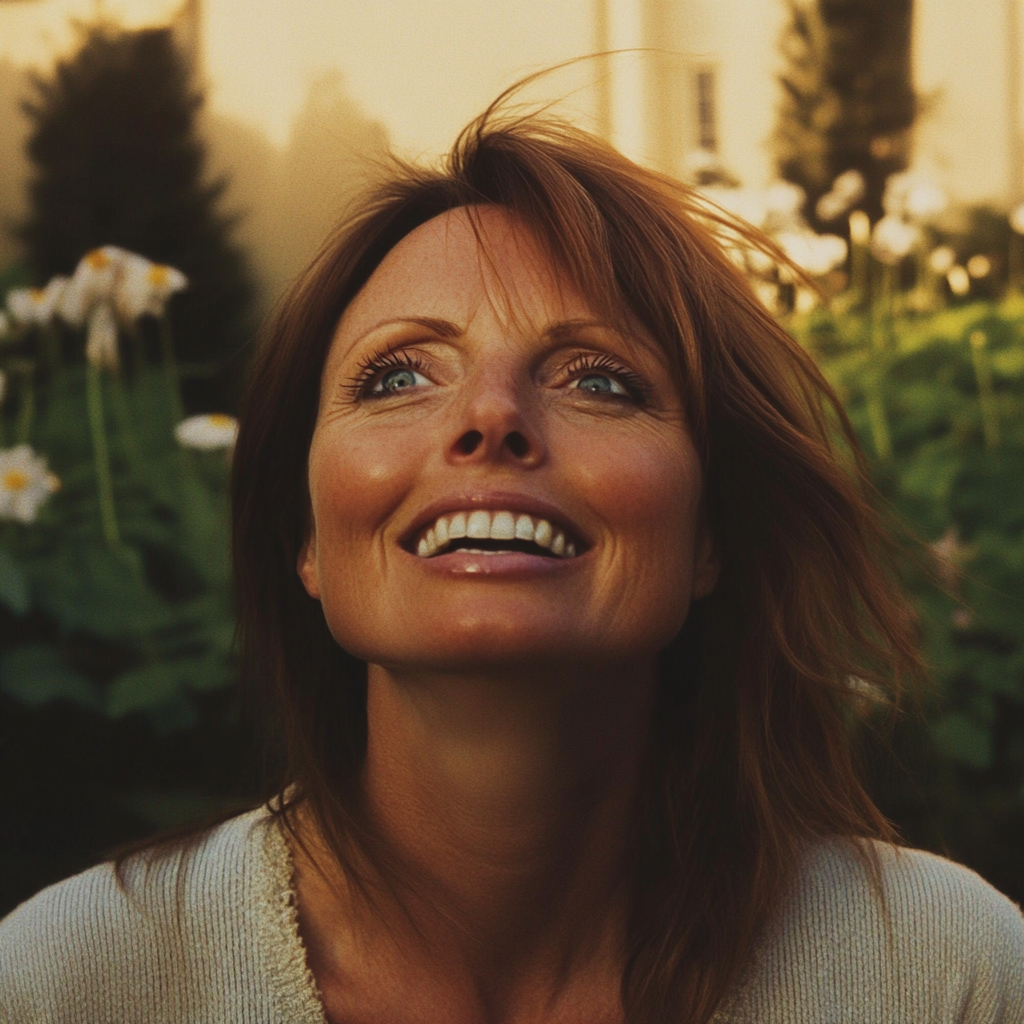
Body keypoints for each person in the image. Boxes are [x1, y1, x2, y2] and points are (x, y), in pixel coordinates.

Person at [2, 101, 1022, 1024]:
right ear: (302, 537)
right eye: (399, 374)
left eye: (601, 381)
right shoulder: (70, 984)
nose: (489, 416)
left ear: (710, 531)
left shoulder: (941, 976)